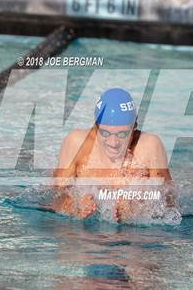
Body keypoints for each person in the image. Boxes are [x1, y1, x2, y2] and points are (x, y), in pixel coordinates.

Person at [48, 88, 173, 222]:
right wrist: (75, 206)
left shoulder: (149, 146)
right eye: (105, 133)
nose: (113, 143)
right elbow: (55, 197)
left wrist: (138, 208)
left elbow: (169, 202)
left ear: (135, 125)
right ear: (96, 126)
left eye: (122, 134)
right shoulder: (76, 144)